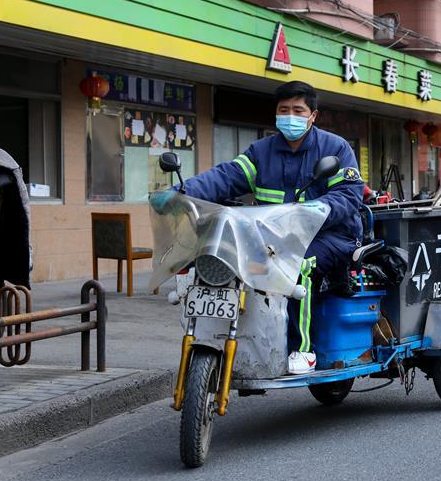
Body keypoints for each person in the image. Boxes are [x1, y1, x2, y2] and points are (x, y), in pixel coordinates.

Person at [153, 81, 363, 375]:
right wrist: (180, 193)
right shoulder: (261, 152)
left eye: (298, 110)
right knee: (226, 261)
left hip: (331, 236)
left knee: (300, 265)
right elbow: (226, 177)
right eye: (283, 110)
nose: (290, 116)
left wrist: (320, 209)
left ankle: (303, 349)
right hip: (274, 237)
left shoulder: (336, 148)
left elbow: (349, 195)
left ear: (313, 115)